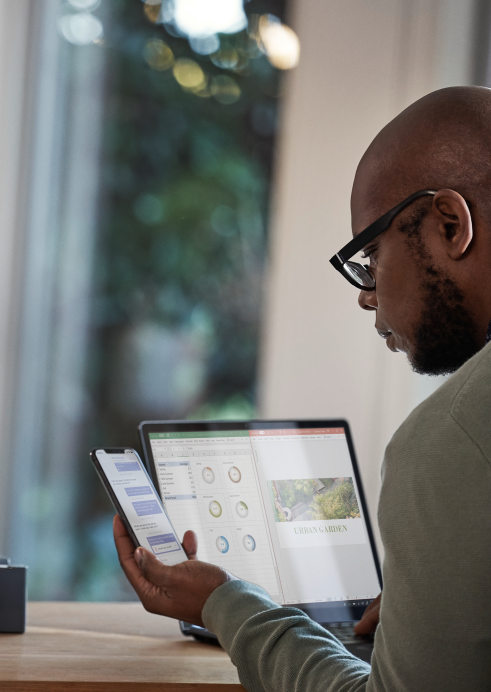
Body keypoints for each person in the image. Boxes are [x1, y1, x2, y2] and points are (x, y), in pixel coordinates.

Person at [114, 85, 491, 691]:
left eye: (371, 254)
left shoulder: (454, 440)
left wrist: (227, 603)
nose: (367, 294)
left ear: (451, 225)